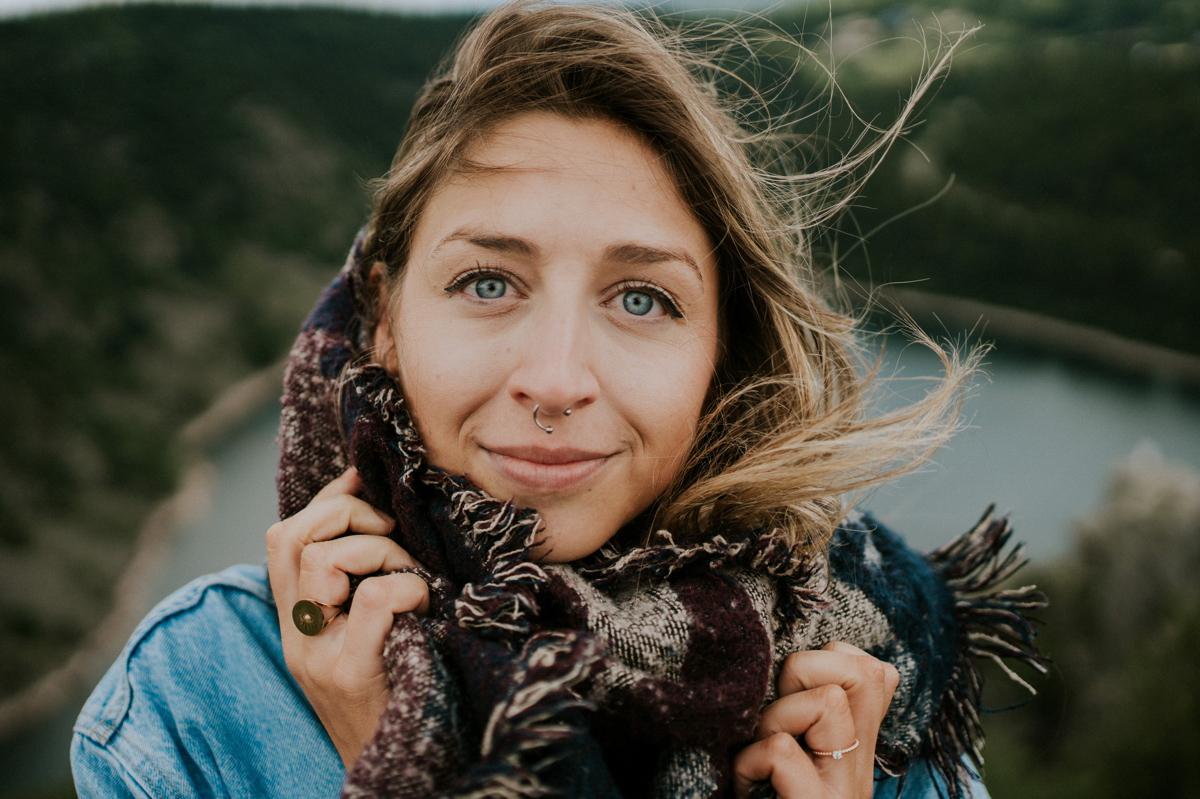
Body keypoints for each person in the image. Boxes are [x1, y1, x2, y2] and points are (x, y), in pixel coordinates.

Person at [71, 2, 1044, 797]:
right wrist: (394, 761)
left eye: (642, 299)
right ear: (383, 318)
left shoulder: (863, 681)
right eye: (488, 282)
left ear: (722, 357)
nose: (557, 378)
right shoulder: (202, 694)